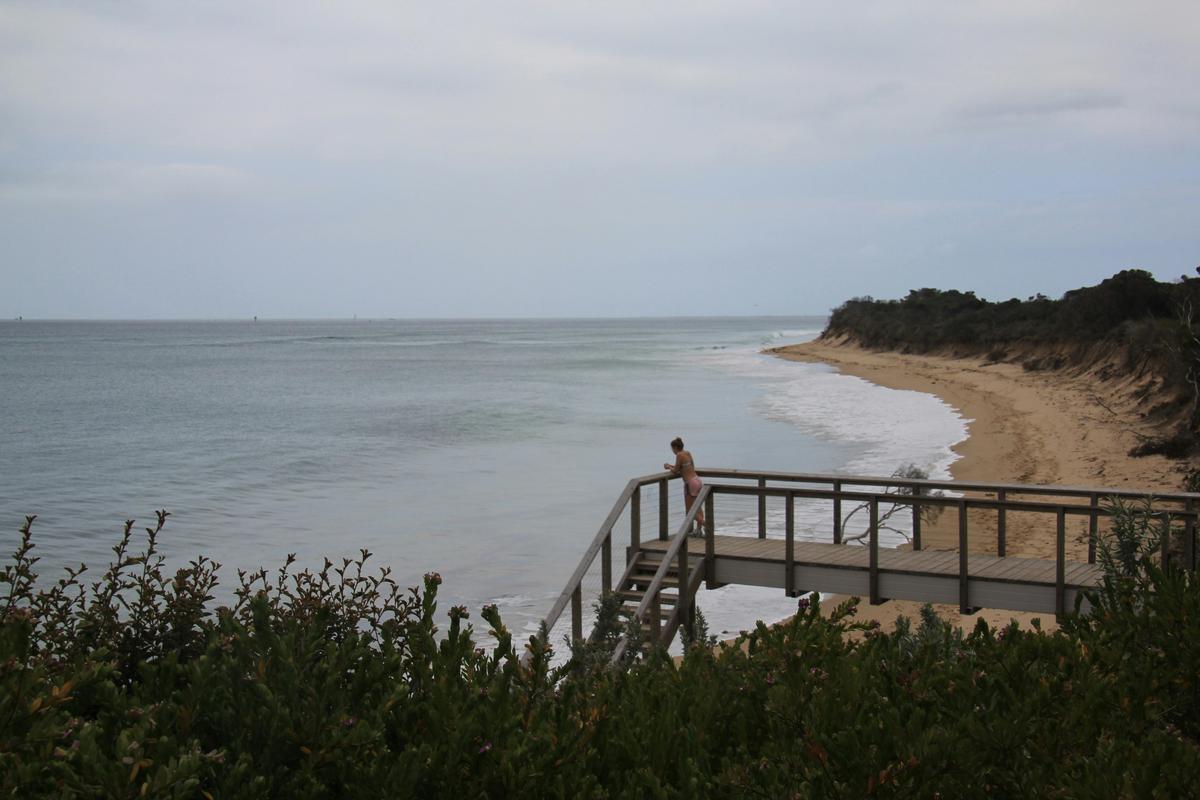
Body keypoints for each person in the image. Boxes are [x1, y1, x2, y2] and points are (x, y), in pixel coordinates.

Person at [663, 437, 706, 533]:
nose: (672, 451)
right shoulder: (687, 453)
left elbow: (675, 471)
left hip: (690, 483)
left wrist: (668, 467)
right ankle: (698, 530)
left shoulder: (679, 455)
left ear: (675, 447)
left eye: (672, 449)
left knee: (690, 511)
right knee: (698, 507)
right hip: (697, 480)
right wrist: (672, 466)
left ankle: (707, 525)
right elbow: (686, 467)